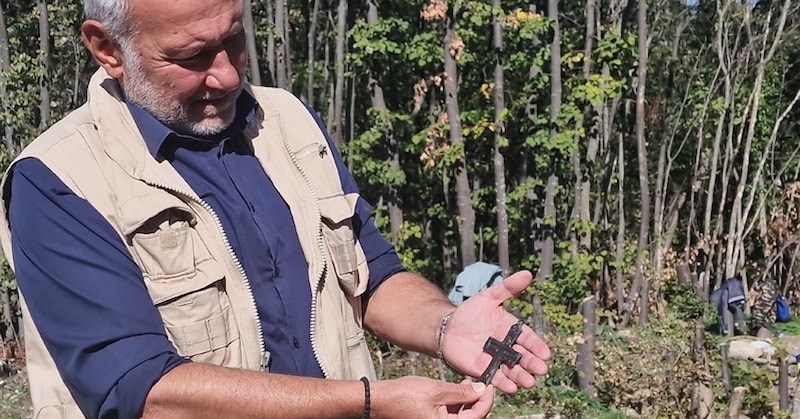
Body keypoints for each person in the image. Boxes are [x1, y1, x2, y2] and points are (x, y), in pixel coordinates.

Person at [0, 0, 551, 417]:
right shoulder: (59, 180)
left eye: (234, 39)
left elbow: (371, 276)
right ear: (107, 48)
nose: (228, 74)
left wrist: (445, 325)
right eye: (192, 56)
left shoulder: (287, 121)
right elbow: (141, 392)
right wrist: (368, 402)